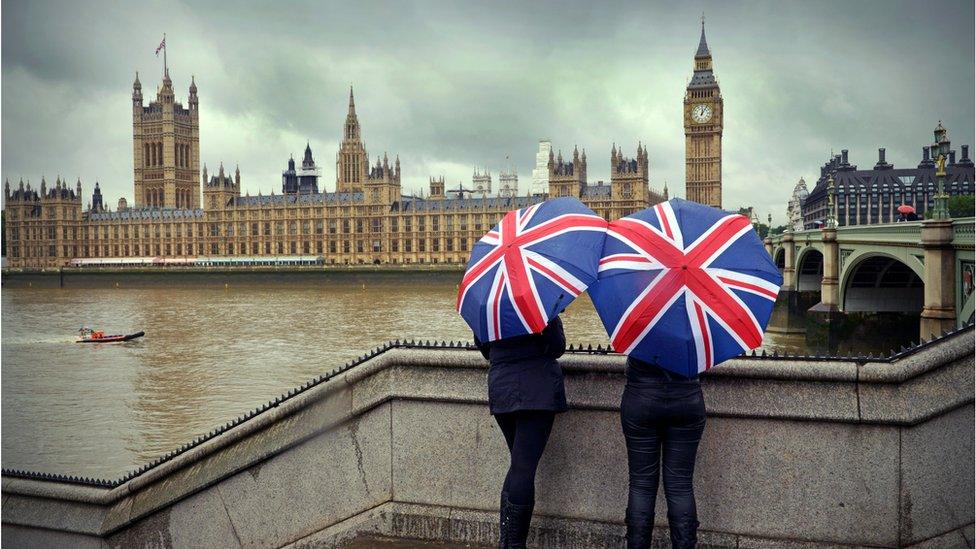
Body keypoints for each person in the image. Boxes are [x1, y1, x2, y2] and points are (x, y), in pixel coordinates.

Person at [474, 316, 567, 549]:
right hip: (537, 389)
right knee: (523, 468)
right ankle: (514, 545)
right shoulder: (539, 305)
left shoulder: (489, 307)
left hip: (502, 389)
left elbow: (485, 349)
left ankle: (506, 542)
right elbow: (557, 347)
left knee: (518, 466)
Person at [620, 355, 706, 548]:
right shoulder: (694, 326)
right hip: (687, 398)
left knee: (641, 484)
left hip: (641, 398)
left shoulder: (636, 323)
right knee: (681, 485)